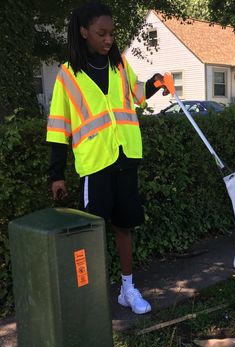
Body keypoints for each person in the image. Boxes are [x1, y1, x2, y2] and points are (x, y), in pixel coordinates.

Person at [46, 2, 168, 314]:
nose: (109, 39)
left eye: (112, 33)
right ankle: (91, 297)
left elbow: (138, 96)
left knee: (124, 226)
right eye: (102, 33)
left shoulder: (119, 67)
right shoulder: (67, 75)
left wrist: (156, 81)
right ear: (84, 31)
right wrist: (56, 175)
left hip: (126, 158)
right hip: (95, 165)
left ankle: (128, 289)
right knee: (91, 233)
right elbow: (58, 128)